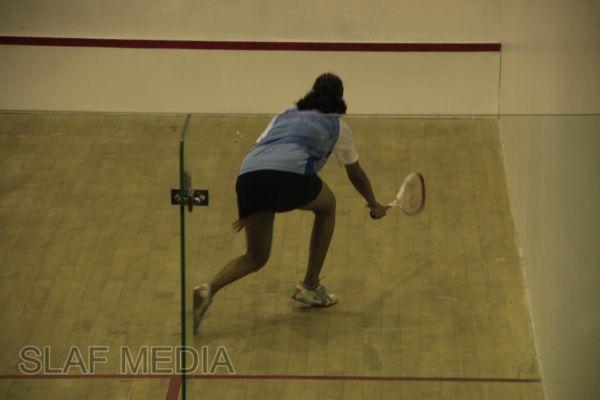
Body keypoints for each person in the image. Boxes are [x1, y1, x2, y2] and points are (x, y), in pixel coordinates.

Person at [193, 73, 387, 333]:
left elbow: (261, 154)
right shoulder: (338, 127)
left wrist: (249, 207)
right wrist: (373, 204)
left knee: (256, 256)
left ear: (312, 92)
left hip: (248, 177)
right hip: (287, 177)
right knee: (328, 206)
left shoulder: (284, 115)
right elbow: (357, 175)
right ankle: (311, 286)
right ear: (340, 99)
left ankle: (209, 289)